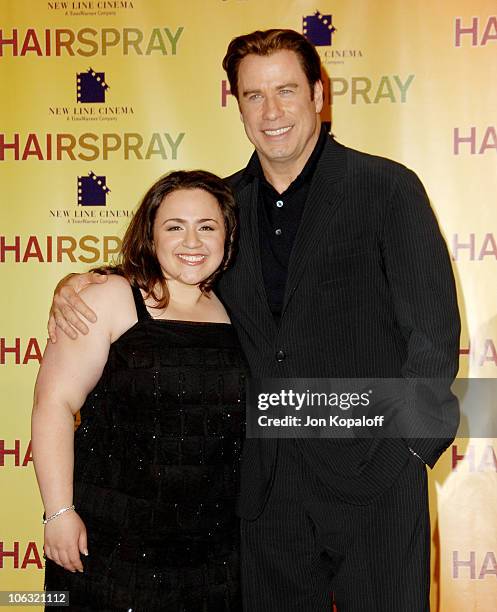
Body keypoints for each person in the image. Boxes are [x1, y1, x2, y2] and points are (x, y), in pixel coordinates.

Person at [48, 29, 460, 612]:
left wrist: (408, 452)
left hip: (375, 475)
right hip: (264, 489)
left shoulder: (386, 189)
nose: (272, 112)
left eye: (286, 90)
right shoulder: (226, 208)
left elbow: (434, 335)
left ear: (318, 93)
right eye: (253, 95)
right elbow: (170, 275)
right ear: (236, 103)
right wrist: (78, 282)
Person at [33, 170, 247, 611]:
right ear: (150, 234)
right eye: (174, 226)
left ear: (227, 236)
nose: (192, 241)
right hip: (110, 542)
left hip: (213, 549)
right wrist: (58, 512)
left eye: (207, 227)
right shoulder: (109, 296)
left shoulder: (238, 307)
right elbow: (55, 403)